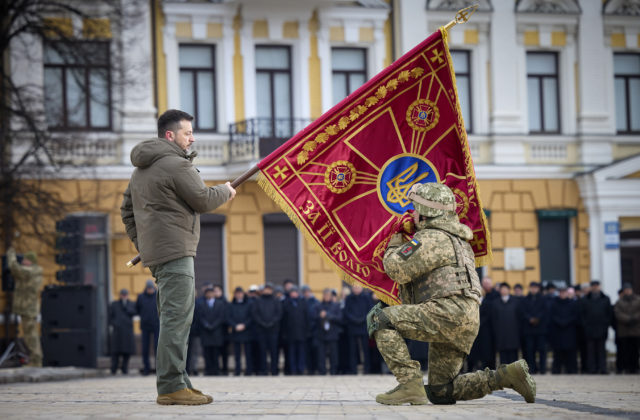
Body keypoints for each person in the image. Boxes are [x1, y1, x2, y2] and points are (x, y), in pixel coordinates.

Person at [367, 183, 535, 405]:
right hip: (465, 317)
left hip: (446, 311)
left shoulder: (432, 238)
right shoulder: (459, 240)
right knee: (441, 390)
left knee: (379, 318)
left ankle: (409, 383)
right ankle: (504, 377)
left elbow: (396, 268)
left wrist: (395, 239)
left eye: (415, 209)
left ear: (426, 214)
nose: (412, 214)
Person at [120, 109, 235, 405]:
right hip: (177, 252)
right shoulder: (175, 165)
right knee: (177, 319)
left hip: (159, 254)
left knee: (174, 317)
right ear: (170, 135)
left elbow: (126, 212)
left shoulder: (140, 169)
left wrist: (143, 244)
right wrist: (225, 191)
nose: (192, 138)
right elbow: (204, 200)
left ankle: (180, 381)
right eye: (187, 133)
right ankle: (171, 386)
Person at [6, 246, 43, 367]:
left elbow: (15, 268)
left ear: (31, 261)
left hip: (29, 309)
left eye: (25, 260)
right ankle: (35, 359)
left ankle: (36, 361)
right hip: (27, 308)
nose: (23, 261)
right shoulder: (31, 271)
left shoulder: (31, 271)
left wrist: (11, 255)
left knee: (31, 336)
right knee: (29, 335)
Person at [579, 280, 612, 374]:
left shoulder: (606, 299)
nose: (595, 287)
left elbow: (609, 313)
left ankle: (603, 368)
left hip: (602, 328)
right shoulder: (585, 299)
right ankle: (592, 369)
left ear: (599, 287)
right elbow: (582, 314)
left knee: (601, 350)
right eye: (593, 286)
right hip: (589, 329)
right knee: (590, 350)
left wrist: (606, 324)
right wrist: (585, 325)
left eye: (596, 286)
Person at [467, 276, 499, 371]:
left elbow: (488, 315)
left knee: (487, 350)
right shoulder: (473, 302)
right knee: (474, 351)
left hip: (486, 329)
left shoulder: (490, 300)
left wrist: (480, 321)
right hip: (474, 329)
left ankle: (487, 367)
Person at [251, 284, 282, 375]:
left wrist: (271, 323)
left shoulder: (276, 301)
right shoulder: (258, 301)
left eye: (269, 289)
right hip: (261, 330)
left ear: (272, 290)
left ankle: (274, 370)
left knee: (274, 351)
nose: (267, 291)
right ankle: (263, 370)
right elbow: (255, 314)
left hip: (273, 330)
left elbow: (279, 313)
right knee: (262, 351)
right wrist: (262, 323)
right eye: (265, 289)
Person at [520, 282, 549, 374]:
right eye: (532, 287)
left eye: (535, 288)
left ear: (538, 289)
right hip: (529, 329)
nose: (534, 289)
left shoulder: (543, 299)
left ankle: (542, 369)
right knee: (530, 350)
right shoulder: (525, 299)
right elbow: (523, 312)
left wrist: (537, 318)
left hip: (541, 329)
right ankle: (532, 368)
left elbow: (545, 311)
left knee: (542, 350)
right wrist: (530, 319)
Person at [197, 286, 226, 376]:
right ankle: (208, 370)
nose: (209, 294)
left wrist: (214, 325)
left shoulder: (220, 303)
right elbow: (200, 317)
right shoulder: (201, 304)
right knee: (207, 352)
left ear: (214, 294)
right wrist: (206, 325)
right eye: (207, 293)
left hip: (216, 332)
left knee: (216, 352)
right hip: (205, 332)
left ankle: (216, 370)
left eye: (211, 292)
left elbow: (221, 316)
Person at [549, 286, 578, 374]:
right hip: (557, 332)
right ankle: (556, 371)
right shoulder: (554, 303)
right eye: (561, 292)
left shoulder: (572, 303)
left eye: (564, 292)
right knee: (557, 353)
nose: (563, 294)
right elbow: (551, 315)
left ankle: (571, 371)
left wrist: (566, 322)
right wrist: (559, 322)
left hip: (569, 331)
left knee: (570, 354)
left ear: (567, 293)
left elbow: (575, 315)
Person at [344, 284, 372, 374]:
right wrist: (354, 320)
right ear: (352, 288)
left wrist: (362, 319)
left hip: (363, 326)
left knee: (365, 349)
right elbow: (346, 312)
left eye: (358, 287)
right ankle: (353, 370)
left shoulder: (366, 297)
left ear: (361, 288)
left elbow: (370, 310)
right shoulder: (349, 298)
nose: (356, 289)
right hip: (352, 326)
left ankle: (367, 369)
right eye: (354, 287)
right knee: (352, 350)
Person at [491, 283, 521, 365]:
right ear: (500, 291)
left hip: (513, 334)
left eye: (505, 289)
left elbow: (520, 318)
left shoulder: (516, 302)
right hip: (501, 335)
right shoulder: (495, 303)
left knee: (514, 358)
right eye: (502, 289)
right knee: (503, 357)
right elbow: (493, 320)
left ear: (509, 290)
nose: (504, 290)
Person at [614, 283, 640, 374]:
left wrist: (634, 318)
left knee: (635, 351)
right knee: (625, 351)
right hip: (624, 330)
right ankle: (627, 368)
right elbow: (617, 313)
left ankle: (635, 368)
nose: (627, 291)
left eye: (629, 289)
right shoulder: (619, 302)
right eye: (626, 290)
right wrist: (628, 319)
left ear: (631, 290)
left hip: (636, 330)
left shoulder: (638, 300)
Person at [227, 287, 253, 376]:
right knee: (237, 354)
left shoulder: (249, 304)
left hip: (247, 331)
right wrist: (235, 326)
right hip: (236, 332)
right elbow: (228, 317)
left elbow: (251, 317)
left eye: (240, 293)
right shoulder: (231, 305)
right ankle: (237, 371)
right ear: (234, 295)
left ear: (243, 294)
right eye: (237, 293)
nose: (239, 295)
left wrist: (244, 325)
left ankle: (249, 370)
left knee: (248, 353)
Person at [282, 286, 309, 374]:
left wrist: (307, 331)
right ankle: (293, 369)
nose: (294, 294)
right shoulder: (286, 303)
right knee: (291, 353)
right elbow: (284, 320)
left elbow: (306, 318)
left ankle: (300, 369)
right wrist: (284, 333)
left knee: (301, 352)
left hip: (301, 332)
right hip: (290, 333)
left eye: (295, 292)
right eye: (292, 292)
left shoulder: (302, 302)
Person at [109, 289, 136, 375]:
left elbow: (134, 312)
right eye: (122, 295)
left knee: (126, 352)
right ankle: (114, 368)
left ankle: (124, 368)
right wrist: (115, 323)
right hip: (117, 331)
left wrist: (127, 308)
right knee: (115, 352)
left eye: (125, 294)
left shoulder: (131, 304)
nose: (124, 296)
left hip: (127, 331)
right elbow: (110, 316)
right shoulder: (114, 304)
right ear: (120, 295)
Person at [316, 288, 342, 375]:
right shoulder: (318, 306)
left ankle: (333, 370)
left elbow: (339, 318)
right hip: (321, 333)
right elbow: (313, 318)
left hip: (332, 333)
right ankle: (322, 371)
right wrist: (319, 316)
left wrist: (328, 315)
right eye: (325, 295)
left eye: (328, 295)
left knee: (333, 353)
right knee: (321, 354)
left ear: (331, 296)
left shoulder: (336, 305)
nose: (326, 297)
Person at [137, 280, 159, 375]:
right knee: (145, 348)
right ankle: (146, 368)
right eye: (148, 288)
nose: (150, 290)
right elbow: (137, 308)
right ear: (146, 288)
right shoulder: (141, 297)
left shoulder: (158, 296)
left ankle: (158, 368)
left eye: (151, 288)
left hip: (156, 325)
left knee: (157, 348)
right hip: (145, 325)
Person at [301, 285, 320, 374]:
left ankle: (316, 368)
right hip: (305, 330)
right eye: (305, 292)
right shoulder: (302, 302)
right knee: (307, 351)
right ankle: (310, 369)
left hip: (315, 330)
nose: (306, 293)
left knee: (316, 350)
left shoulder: (316, 302)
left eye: (308, 292)